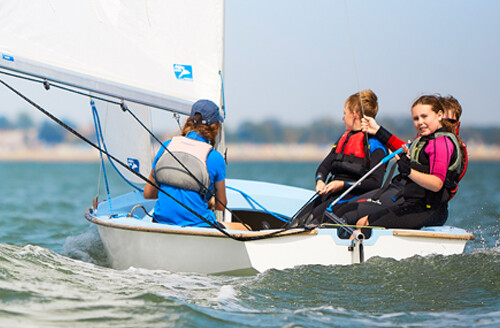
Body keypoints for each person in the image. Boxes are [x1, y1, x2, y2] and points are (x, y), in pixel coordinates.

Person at [334, 95, 468, 230]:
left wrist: (409, 171)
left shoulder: (443, 143)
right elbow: (405, 151)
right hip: (413, 202)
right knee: (361, 222)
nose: (420, 122)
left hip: (429, 209)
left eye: (424, 117)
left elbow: (438, 184)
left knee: (362, 224)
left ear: (438, 116)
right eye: (416, 118)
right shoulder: (425, 140)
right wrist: (380, 133)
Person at [293, 89, 387, 226]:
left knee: (312, 222)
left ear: (354, 115)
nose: (343, 118)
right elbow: (325, 166)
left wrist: (342, 184)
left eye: (345, 113)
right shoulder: (344, 139)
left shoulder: (375, 145)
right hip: (330, 192)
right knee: (297, 221)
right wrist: (320, 181)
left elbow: (375, 183)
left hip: (351, 196)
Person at [143, 99, 227, 227]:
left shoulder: (166, 146)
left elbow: (148, 194)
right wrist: (210, 201)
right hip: (199, 227)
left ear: (190, 120)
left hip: (161, 223)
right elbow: (221, 206)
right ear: (215, 126)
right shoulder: (215, 158)